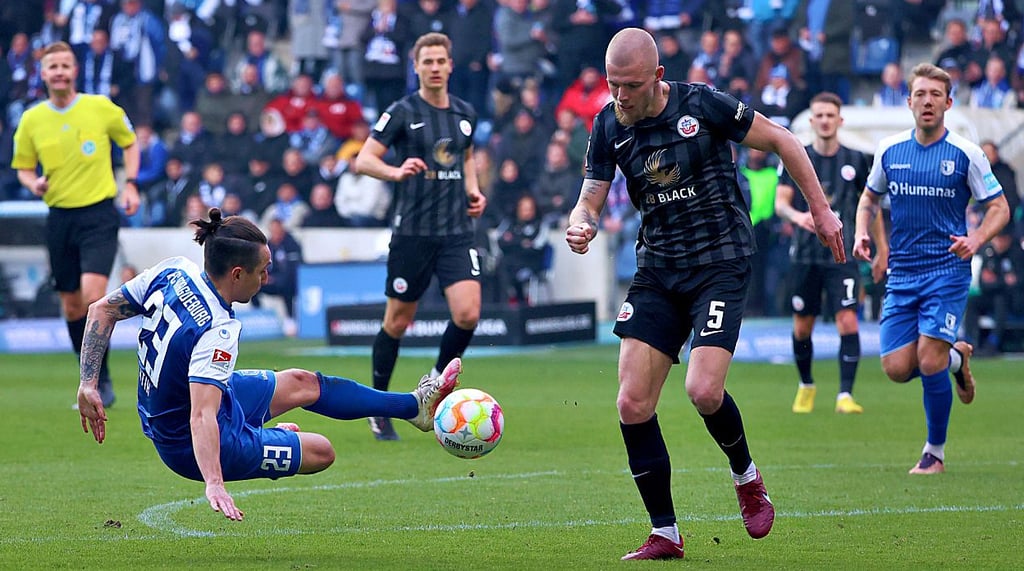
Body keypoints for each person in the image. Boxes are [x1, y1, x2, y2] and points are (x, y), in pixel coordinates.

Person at [564, 28, 844, 560]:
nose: (619, 95)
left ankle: (746, 475)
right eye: (612, 84)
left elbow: (785, 140)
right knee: (630, 401)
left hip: (720, 261)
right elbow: (590, 200)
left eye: (630, 85)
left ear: (658, 78)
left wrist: (823, 210)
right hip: (659, 268)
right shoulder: (607, 124)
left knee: (703, 390)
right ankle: (665, 532)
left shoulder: (703, 105)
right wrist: (581, 224)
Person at [76, 208, 463, 521]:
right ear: (237, 274)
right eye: (263, 271)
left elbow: (101, 310)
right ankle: (252, 435)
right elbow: (200, 417)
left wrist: (88, 383)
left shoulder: (173, 270)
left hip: (196, 407)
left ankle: (415, 407)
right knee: (321, 451)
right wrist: (214, 481)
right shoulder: (217, 328)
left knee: (302, 382)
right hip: (189, 444)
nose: (267, 278)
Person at [853, 63, 1011, 475]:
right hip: (902, 274)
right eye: (920, 94)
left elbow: (1000, 206)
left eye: (935, 95)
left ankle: (934, 453)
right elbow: (869, 201)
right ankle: (957, 360)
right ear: (908, 101)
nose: (927, 101)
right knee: (895, 368)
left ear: (948, 103)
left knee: (927, 359)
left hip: (947, 271)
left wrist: (977, 240)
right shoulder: (889, 150)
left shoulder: (965, 153)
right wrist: (861, 235)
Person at [354, 32, 486, 441]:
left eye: (439, 60)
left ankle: (431, 387)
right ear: (416, 67)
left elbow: (465, 159)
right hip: (412, 233)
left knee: (467, 313)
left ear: (449, 65)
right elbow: (364, 159)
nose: (433, 67)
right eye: (426, 61)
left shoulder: (465, 113)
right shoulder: (401, 111)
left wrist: (473, 191)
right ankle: (379, 408)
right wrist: (395, 171)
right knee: (398, 321)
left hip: (456, 233)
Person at [12, 41, 140, 408]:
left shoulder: (100, 108)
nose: (59, 72)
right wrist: (31, 183)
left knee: (91, 296)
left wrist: (130, 183)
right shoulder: (32, 119)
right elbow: (22, 168)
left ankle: (101, 380)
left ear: (75, 71)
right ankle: (91, 377)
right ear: (43, 73)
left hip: (99, 213)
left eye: (65, 65)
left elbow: (129, 143)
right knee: (71, 307)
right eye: (52, 66)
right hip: (60, 217)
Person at [775, 91, 883, 415]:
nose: (824, 120)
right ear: (811, 121)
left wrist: (881, 248)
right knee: (802, 326)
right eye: (819, 115)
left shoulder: (856, 160)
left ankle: (845, 395)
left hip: (842, 256)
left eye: (829, 115)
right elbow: (780, 203)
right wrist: (798, 217)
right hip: (805, 256)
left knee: (848, 321)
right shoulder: (797, 156)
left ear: (839, 120)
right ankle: (806, 384)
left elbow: (871, 205)